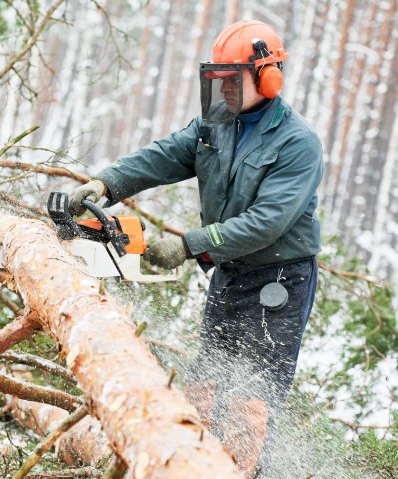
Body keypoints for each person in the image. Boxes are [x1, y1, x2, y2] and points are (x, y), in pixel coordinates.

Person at [68, 20, 323, 478]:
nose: (221, 88)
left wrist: (190, 246)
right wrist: (107, 181)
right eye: (216, 78)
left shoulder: (298, 144)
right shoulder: (216, 124)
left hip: (279, 282)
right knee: (204, 390)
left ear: (267, 77)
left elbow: (268, 222)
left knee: (251, 403)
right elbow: (166, 155)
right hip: (229, 271)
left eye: (231, 79)